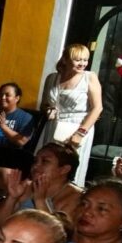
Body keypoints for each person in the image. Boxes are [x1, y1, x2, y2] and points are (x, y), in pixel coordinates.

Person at [38, 43, 103, 186]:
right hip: (53, 127)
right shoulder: (52, 78)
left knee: (69, 169)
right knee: (48, 163)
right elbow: (44, 104)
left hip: (77, 128)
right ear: (65, 59)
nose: (82, 63)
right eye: (78, 60)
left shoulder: (89, 77)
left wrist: (80, 133)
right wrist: (48, 109)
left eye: (85, 60)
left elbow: (97, 108)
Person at [0, 141, 82, 228]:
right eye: (35, 161)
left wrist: (40, 201)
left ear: (64, 169)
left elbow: (57, 233)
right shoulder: (26, 186)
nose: (35, 166)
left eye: (45, 161)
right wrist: (11, 198)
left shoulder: (75, 198)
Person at [0, 82, 36, 168]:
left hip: (10, 160)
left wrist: (3, 126)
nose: (3, 98)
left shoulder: (26, 118)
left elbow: (21, 141)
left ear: (17, 98)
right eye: (0, 95)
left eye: (7, 95)